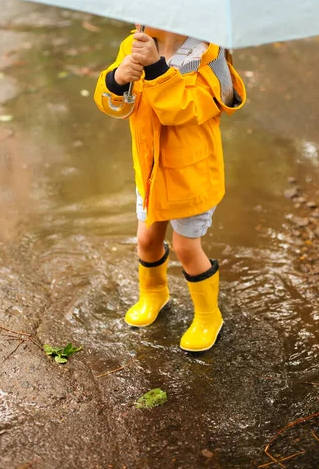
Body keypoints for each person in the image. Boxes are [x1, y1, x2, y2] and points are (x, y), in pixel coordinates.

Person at [94, 25, 246, 352]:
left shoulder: (210, 57)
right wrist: (117, 79)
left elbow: (185, 111)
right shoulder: (136, 43)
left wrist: (155, 69)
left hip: (193, 176)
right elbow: (116, 105)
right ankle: (154, 294)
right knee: (147, 239)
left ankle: (208, 316)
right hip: (150, 172)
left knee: (186, 248)